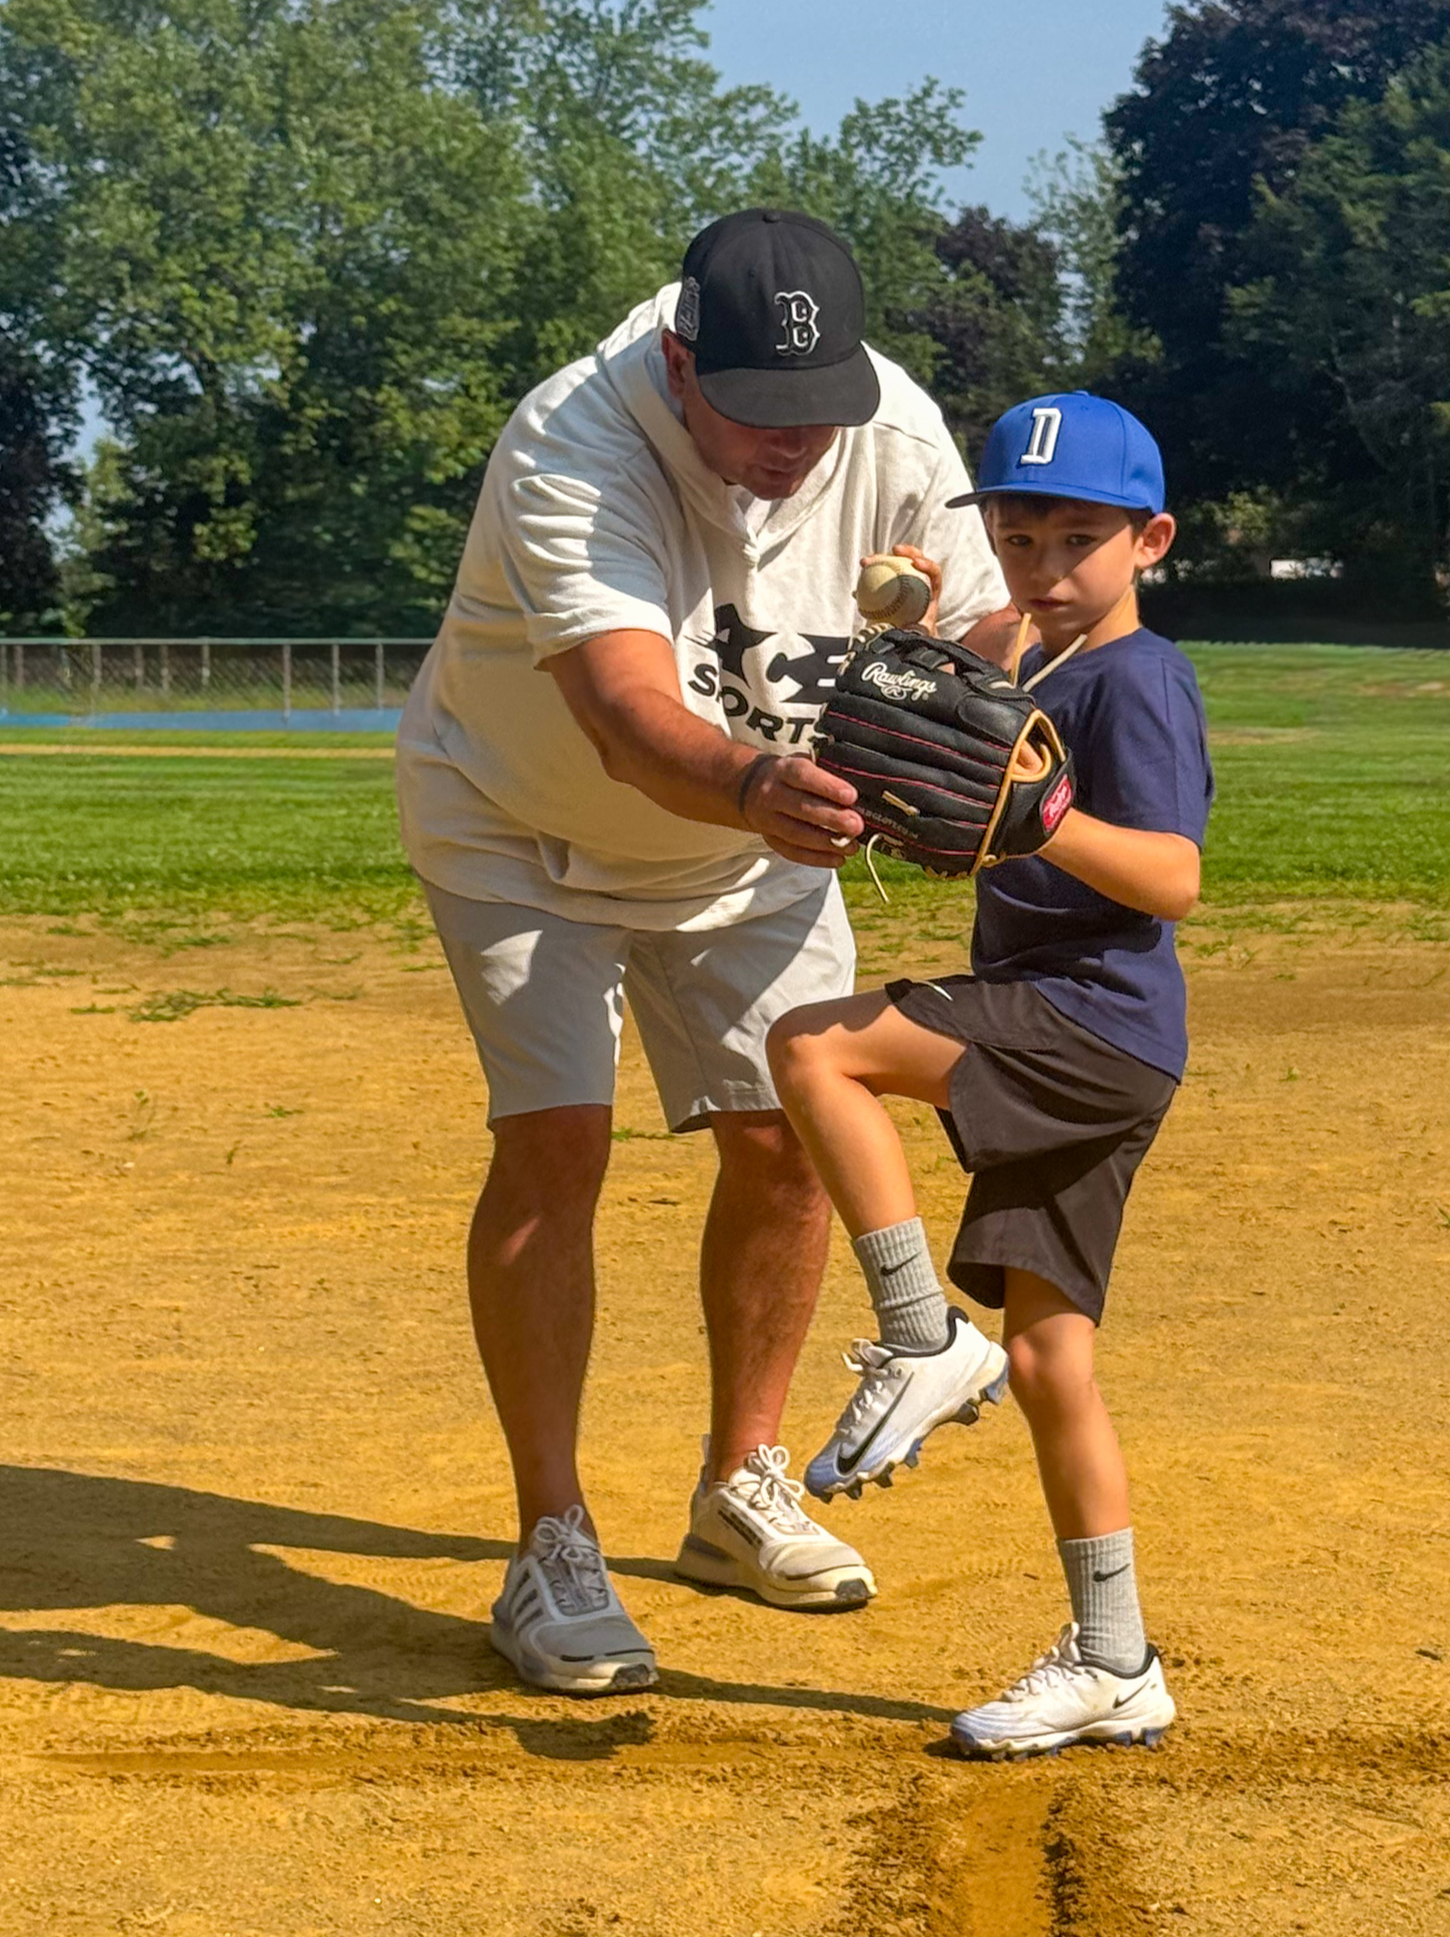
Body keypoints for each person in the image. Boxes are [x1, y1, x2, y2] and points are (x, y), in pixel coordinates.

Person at [396, 209, 1018, 1696]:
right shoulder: (571, 437)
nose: (795, 445)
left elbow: (990, 625)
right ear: (680, 360)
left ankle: (741, 1484)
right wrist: (756, 786)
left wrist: (953, 743)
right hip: (526, 826)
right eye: (755, 411)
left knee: (791, 1138)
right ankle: (551, 1539)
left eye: (822, 413)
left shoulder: (888, 426)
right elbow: (622, 717)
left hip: (757, 841)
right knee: (557, 1148)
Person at [766, 391, 1212, 1757]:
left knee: (814, 1044)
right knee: (1048, 1357)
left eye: (1079, 539)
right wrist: (910, 635)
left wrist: (1052, 815)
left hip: (1086, 1016)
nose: (1043, 567)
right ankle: (1115, 1656)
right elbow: (954, 678)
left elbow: (1173, 878)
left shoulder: (1136, 681)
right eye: (1017, 538)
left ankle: (915, 1336)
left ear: (1151, 541)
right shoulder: (1036, 650)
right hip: (1087, 1033)